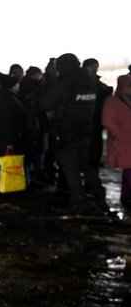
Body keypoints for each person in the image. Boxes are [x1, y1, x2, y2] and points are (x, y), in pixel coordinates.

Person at [42, 53, 105, 210]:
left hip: (66, 131)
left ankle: (79, 201)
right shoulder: (90, 81)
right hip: (85, 131)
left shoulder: (66, 82)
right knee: (87, 166)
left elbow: (45, 103)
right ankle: (99, 197)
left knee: (71, 169)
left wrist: (51, 82)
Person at [102, 74, 131, 207]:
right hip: (123, 142)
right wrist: (119, 134)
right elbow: (107, 121)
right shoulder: (113, 101)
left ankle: (126, 198)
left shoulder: (116, 100)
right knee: (128, 170)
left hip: (124, 140)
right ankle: (127, 199)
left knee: (128, 171)